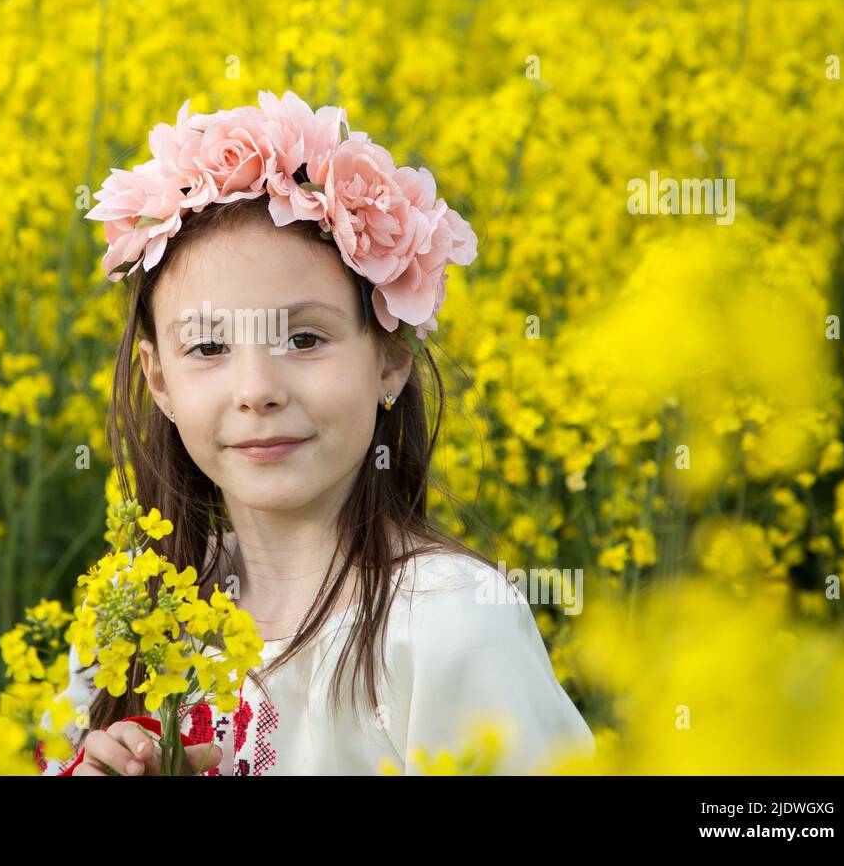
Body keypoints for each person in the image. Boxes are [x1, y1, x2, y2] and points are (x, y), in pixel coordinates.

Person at [40, 91, 595, 776]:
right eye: (209, 348)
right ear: (159, 381)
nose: (257, 390)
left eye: (304, 337)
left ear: (390, 358)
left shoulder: (448, 626)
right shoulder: (129, 610)